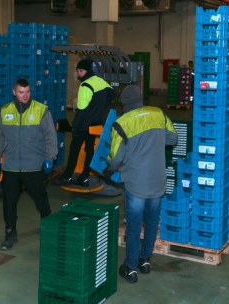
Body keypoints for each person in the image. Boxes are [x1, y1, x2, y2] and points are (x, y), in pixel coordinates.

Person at [104, 84, 178, 283]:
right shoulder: (158, 114)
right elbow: (173, 138)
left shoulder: (122, 123)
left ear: (124, 103)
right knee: (152, 221)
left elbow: (115, 158)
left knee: (134, 224)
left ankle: (130, 267)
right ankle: (145, 260)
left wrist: (111, 165)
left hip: (136, 182)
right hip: (157, 179)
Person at [0, 78, 58, 251]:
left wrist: (50, 157)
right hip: (11, 166)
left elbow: (51, 136)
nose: (25, 95)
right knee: (9, 201)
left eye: (27, 91)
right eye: (21, 92)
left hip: (34, 165)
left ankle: (49, 227)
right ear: (14, 92)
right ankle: (10, 233)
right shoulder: (5, 112)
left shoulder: (42, 111)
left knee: (41, 198)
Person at [52, 59, 115, 187]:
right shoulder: (99, 81)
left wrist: (75, 125)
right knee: (90, 149)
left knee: (74, 150)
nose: (79, 74)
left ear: (87, 71)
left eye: (81, 71)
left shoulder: (85, 85)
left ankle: (67, 176)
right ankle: (84, 177)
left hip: (83, 125)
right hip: (96, 124)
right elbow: (112, 93)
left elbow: (80, 110)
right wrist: (100, 107)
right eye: (78, 71)